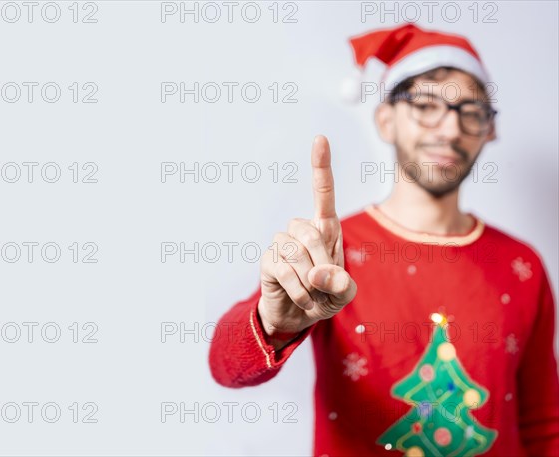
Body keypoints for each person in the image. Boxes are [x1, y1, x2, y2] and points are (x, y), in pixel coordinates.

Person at [208, 23, 559, 456]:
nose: (450, 130)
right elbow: (225, 367)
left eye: (471, 111)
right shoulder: (332, 256)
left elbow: (542, 423)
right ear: (386, 119)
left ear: (489, 130)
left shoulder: (522, 265)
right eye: (426, 105)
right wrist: (273, 323)